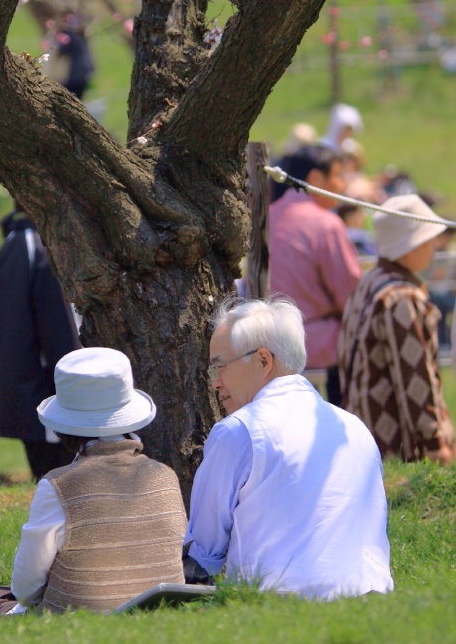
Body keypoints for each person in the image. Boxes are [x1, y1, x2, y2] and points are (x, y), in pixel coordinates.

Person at [0, 347, 187, 616]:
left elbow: (26, 587)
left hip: (75, 615)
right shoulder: (165, 475)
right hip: (160, 609)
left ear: (63, 425)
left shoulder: (60, 485)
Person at [185, 297, 393, 600]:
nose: (215, 383)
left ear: (263, 360)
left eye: (219, 367)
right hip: (371, 600)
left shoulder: (239, 431)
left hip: (273, 607)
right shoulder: (354, 427)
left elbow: (205, 551)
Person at [338, 194, 454, 464]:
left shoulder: (371, 280)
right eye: (428, 239)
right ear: (410, 245)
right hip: (396, 444)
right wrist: (434, 442)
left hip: (364, 431)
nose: (434, 245)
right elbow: (415, 376)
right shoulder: (402, 298)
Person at [0, 208, 81, 480]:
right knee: (61, 487)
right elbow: (58, 329)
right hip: (46, 396)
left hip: (26, 393)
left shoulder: (14, 241)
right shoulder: (39, 245)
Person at [268, 144, 361, 404]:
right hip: (323, 350)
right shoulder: (325, 223)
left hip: (270, 348)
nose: (342, 185)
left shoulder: (265, 217)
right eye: (338, 176)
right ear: (316, 179)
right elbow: (352, 297)